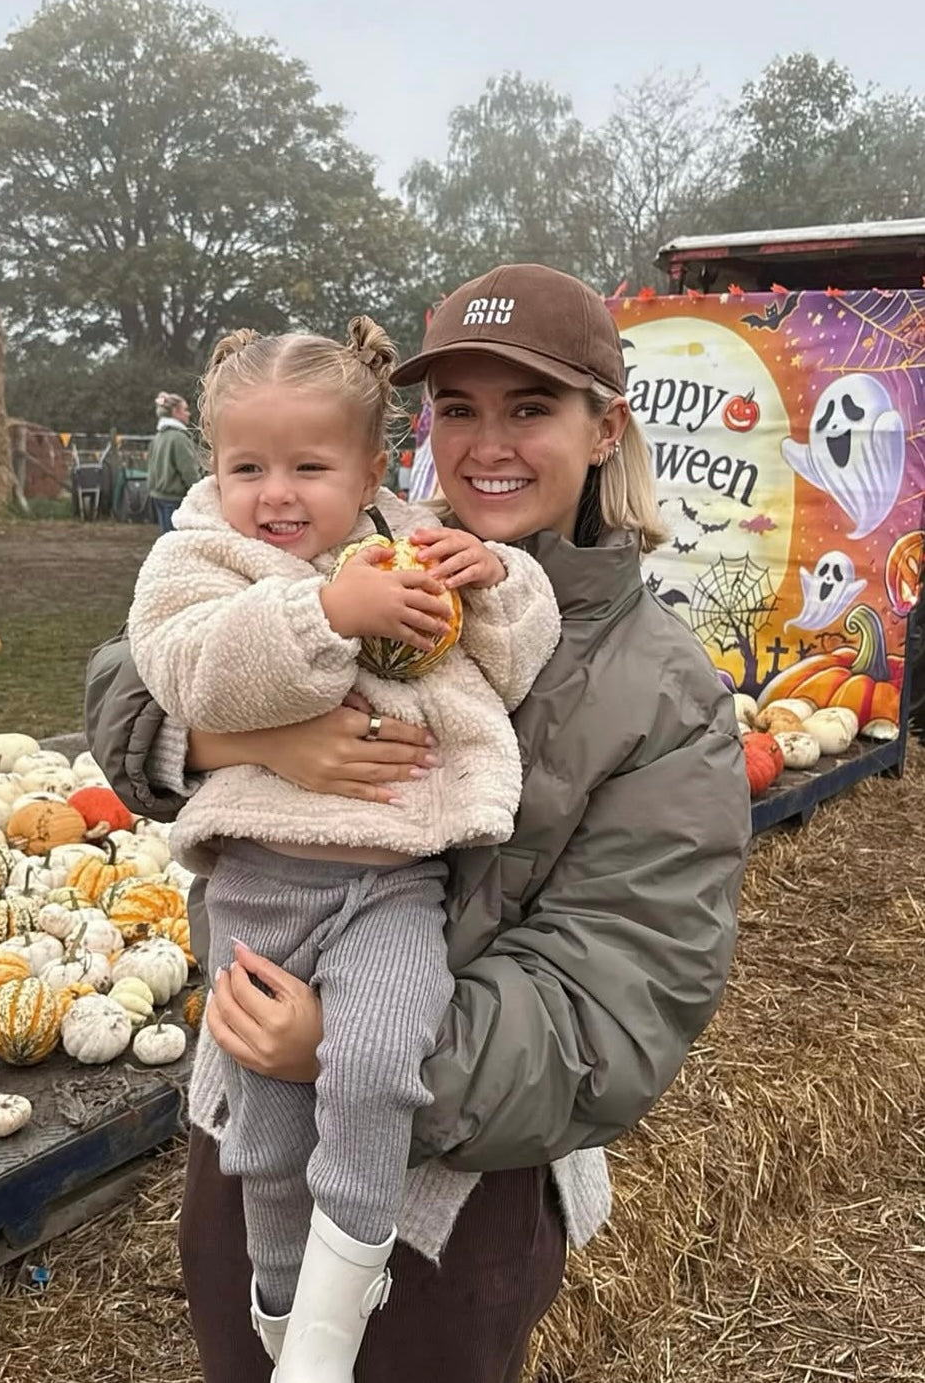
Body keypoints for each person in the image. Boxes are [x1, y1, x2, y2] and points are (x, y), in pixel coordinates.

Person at [85, 262, 752, 1383]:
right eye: (457, 408)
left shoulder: (664, 691)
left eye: (529, 408)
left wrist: (348, 1045)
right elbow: (131, 668)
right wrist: (239, 745)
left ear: (604, 429)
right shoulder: (351, 538)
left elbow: (620, 992)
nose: (487, 444)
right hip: (245, 1133)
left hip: (452, 1194)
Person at [126, 317, 561, 1379]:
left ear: (372, 469)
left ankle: (337, 1299)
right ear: (213, 466)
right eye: (247, 467)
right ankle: (282, 1307)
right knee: (266, 1132)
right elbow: (187, 669)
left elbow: (507, 662)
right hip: (261, 889)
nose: (275, 494)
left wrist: (495, 580)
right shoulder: (198, 556)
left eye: (309, 467)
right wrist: (326, 612)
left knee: (374, 1060)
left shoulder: (415, 541)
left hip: (394, 884)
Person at [146, 391, 200, 532]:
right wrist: (200, 494)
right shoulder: (179, 438)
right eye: (185, 410)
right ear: (176, 412)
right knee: (178, 541)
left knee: (166, 538)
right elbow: (189, 472)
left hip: (158, 497)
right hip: (175, 500)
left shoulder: (158, 437)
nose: (188, 414)